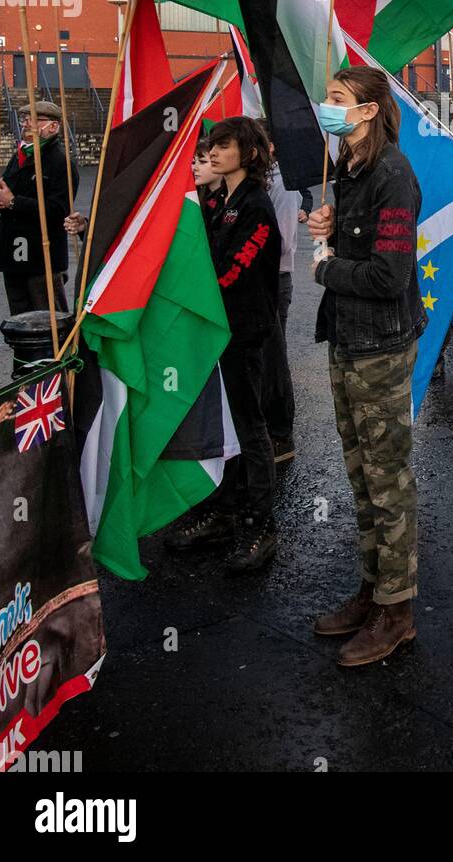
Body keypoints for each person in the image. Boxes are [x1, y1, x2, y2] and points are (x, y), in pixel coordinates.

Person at [307, 67, 425, 668]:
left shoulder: (392, 174)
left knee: (388, 480)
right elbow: (363, 245)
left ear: (370, 110)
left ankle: (397, 612)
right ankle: (371, 590)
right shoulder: (349, 169)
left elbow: (390, 275)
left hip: (378, 344)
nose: (327, 107)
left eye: (338, 100)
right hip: (346, 339)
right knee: (360, 474)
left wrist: (327, 268)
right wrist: (329, 227)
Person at [165, 117, 282, 574]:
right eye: (210, 146)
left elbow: (233, 272)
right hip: (216, 330)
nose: (211, 153)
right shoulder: (219, 200)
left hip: (244, 332)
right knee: (224, 425)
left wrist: (190, 287)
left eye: (223, 146)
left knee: (249, 427)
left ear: (249, 154)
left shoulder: (255, 206)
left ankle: (260, 524)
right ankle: (224, 511)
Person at [0, 100, 76, 316]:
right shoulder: (20, 156)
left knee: (49, 319)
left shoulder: (59, 162)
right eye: (25, 119)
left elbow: (58, 210)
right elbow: (7, 191)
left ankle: (58, 352)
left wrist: (12, 202)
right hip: (13, 252)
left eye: (35, 120)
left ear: (53, 126)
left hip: (41, 254)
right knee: (20, 320)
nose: (27, 124)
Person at [261, 126, 303, 465]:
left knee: (273, 358)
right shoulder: (260, 180)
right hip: (261, 278)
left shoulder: (283, 182)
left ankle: (280, 434)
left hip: (274, 278)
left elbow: (283, 242)